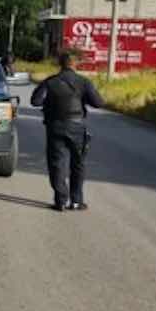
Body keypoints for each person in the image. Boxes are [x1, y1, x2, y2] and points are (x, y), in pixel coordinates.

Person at [30, 51, 105, 212]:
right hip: (77, 127)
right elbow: (98, 103)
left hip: (55, 127)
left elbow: (35, 101)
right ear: (75, 64)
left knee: (57, 164)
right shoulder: (84, 82)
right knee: (78, 164)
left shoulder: (50, 82)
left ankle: (61, 201)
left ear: (60, 64)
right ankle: (76, 201)